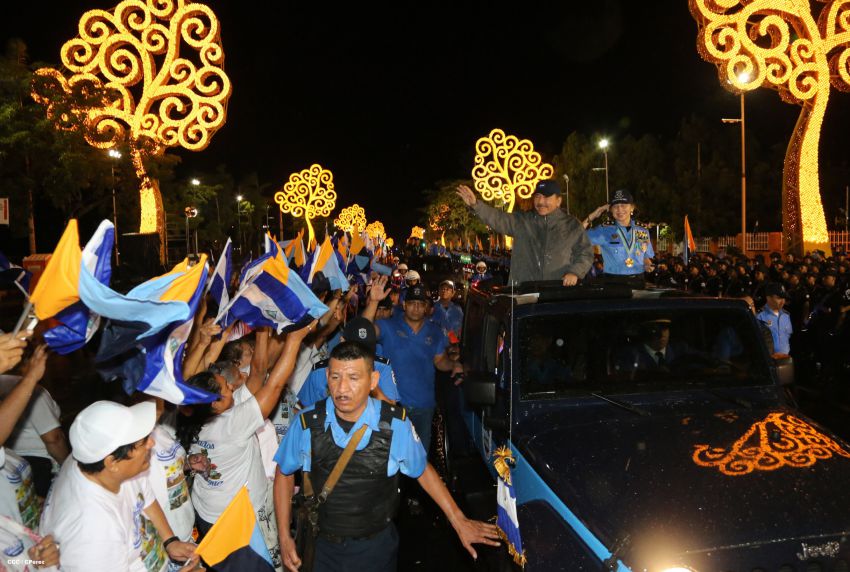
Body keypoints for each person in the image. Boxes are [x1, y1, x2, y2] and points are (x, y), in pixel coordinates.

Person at [272, 342, 500, 572]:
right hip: (322, 549)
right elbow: (283, 472)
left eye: (353, 377)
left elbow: (422, 471)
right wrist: (284, 535)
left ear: (373, 381)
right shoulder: (306, 423)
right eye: (335, 377)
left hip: (375, 549)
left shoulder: (394, 424)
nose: (342, 388)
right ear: (326, 378)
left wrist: (459, 520)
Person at [178, 321, 313, 569]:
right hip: (236, 523)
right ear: (214, 403)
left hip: (207, 511)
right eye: (226, 388)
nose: (232, 385)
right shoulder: (232, 425)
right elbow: (274, 385)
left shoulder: (192, 416)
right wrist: (294, 341)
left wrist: (262, 330)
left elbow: (258, 373)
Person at [40, 400, 197, 572]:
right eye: (142, 442)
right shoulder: (94, 531)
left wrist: (170, 541)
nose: (151, 443)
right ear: (112, 462)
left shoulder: (95, 459)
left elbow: (145, 497)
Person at [362, 279, 460, 453]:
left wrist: (454, 365)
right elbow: (363, 333)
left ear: (426, 307)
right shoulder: (388, 326)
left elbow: (439, 361)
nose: (416, 307)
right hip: (392, 404)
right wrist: (374, 302)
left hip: (424, 406)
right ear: (404, 305)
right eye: (412, 303)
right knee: (390, 457)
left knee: (419, 458)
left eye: (420, 304)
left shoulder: (435, 331)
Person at [457, 180, 593, 286]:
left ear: (558, 201)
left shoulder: (572, 225)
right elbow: (498, 218)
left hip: (557, 292)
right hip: (525, 293)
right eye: (537, 196)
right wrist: (476, 205)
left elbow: (585, 253)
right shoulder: (522, 221)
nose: (541, 202)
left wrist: (575, 272)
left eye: (546, 197)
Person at [297, 317, 399, 407]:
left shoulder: (382, 367)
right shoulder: (320, 371)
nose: (361, 356)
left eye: (366, 350)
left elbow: (391, 411)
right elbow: (303, 409)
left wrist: (371, 384)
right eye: (355, 350)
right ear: (342, 341)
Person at [584, 189, 655, 277]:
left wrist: (648, 264)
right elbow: (576, 237)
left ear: (632, 208)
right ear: (611, 210)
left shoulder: (642, 231)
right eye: (615, 206)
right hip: (613, 281)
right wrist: (592, 216)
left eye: (623, 205)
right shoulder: (604, 230)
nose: (619, 209)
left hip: (638, 280)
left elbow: (645, 256)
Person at [756, 282, 793, 357]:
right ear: (768, 298)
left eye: (784, 298)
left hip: (785, 358)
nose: (783, 301)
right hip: (768, 359)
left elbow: (788, 336)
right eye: (779, 298)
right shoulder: (759, 316)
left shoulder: (786, 316)